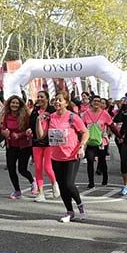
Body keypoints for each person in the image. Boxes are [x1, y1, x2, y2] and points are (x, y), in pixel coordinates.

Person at [36, 91, 88, 223]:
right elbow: (41, 136)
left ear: (66, 102)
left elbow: (85, 132)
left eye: (60, 100)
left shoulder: (72, 117)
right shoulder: (50, 117)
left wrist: (82, 146)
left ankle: (80, 206)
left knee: (69, 184)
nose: (57, 102)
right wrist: (38, 121)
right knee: (62, 186)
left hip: (72, 155)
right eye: (55, 100)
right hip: (56, 157)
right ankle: (69, 212)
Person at [0, 95, 34, 199]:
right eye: (12, 103)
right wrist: (4, 132)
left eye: (17, 103)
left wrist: (19, 135)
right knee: (11, 168)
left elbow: (29, 129)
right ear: (9, 104)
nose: (14, 105)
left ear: (20, 105)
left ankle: (32, 181)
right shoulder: (6, 115)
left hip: (24, 145)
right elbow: (3, 127)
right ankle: (17, 190)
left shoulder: (25, 115)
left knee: (22, 169)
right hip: (11, 145)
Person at [28, 90, 59, 202]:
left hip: (49, 142)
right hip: (36, 142)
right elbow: (30, 125)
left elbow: (57, 124)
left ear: (47, 98)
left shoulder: (52, 110)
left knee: (47, 167)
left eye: (42, 97)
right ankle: (41, 193)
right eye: (38, 96)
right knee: (38, 167)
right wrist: (29, 130)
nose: (39, 99)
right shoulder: (35, 111)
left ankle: (54, 183)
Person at [81, 96, 112, 189]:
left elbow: (112, 125)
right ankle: (91, 182)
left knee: (102, 161)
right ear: (91, 102)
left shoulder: (105, 114)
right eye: (95, 101)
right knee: (90, 161)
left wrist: (119, 137)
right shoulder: (85, 114)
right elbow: (81, 127)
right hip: (90, 142)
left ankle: (105, 178)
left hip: (102, 142)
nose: (96, 103)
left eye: (98, 101)